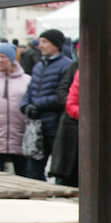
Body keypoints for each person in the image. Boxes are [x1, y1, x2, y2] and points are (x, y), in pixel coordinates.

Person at [19, 29, 72, 181]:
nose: (40, 45)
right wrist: (25, 105)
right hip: (36, 125)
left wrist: (38, 104)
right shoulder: (39, 66)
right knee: (33, 169)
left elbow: (62, 95)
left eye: (44, 42)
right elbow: (30, 90)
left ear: (56, 45)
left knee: (59, 169)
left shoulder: (66, 66)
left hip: (55, 123)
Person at [0, 43, 30, 177]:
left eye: (3, 57)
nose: (0, 60)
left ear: (12, 59)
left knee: (24, 175)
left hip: (20, 138)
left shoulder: (27, 81)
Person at [48, 55, 78, 187]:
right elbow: (63, 92)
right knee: (67, 172)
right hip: (72, 124)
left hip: (85, 123)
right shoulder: (76, 66)